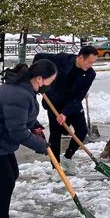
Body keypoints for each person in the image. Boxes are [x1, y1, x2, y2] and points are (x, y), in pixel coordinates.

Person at [0, 60, 57, 218]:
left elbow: (20, 116)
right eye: (50, 81)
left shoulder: (23, 89)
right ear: (39, 79)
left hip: (0, 142)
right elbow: (17, 131)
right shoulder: (19, 94)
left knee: (11, 175)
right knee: (5, 182)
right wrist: (42, 146)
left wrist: (35, 125)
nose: (49, 86)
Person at [33, 46, 98, 175]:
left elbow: (79, 96)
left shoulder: (90, 74)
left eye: (93, 63)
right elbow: (39, 57)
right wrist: (36, 76)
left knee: (82, 130)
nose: (91, 65)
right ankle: (55, 167)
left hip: (72, 103)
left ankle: (67, 158)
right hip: (54, 102)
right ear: (80, 57)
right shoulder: (62, 59)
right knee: (55, 134)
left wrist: (65, 113)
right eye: (89, 62)